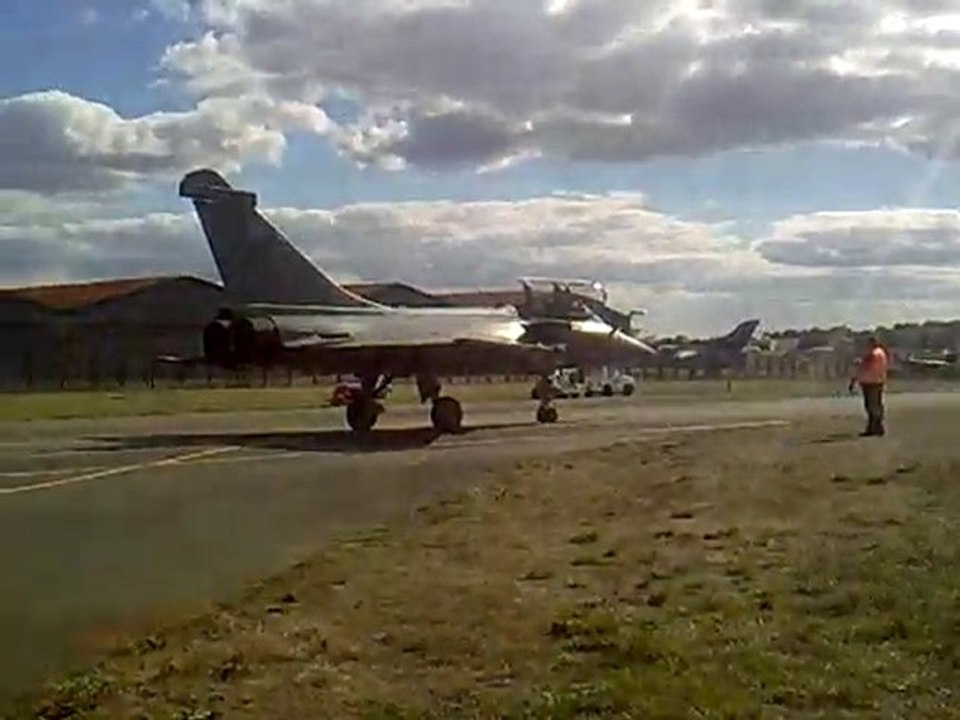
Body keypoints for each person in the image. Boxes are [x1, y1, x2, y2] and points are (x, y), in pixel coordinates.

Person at [848, 336, 889, 437]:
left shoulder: (871, 355)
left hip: (870, 382)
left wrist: (854, 380)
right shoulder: (881, 353)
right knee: (877, 405)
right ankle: (877, 427)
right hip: (879, 381)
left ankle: (875, 427)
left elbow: (863, 368)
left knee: (871, 406)